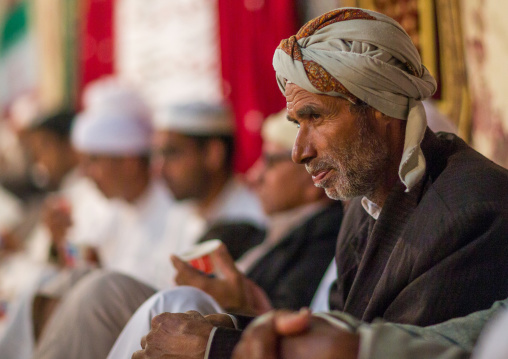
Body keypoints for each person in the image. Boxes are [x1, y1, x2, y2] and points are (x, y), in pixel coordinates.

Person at [133, 7, 508, 359]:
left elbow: (373, 347)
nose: (299, 152)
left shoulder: (469, 211)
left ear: (379, 106)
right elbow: (338, 331)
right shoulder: (365, 204)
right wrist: (231, 327)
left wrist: (220, 346)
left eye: (315, 117)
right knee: (176, 309)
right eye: (298, 124)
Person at [30, 108, 343, 359]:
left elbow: (301, 324)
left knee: (150, 297)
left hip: (227, 334)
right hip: (212, 328)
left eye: (271, 162)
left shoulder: (320, 234)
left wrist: (243, 303)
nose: (255, 174)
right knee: (69, 284)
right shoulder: (263, 230)